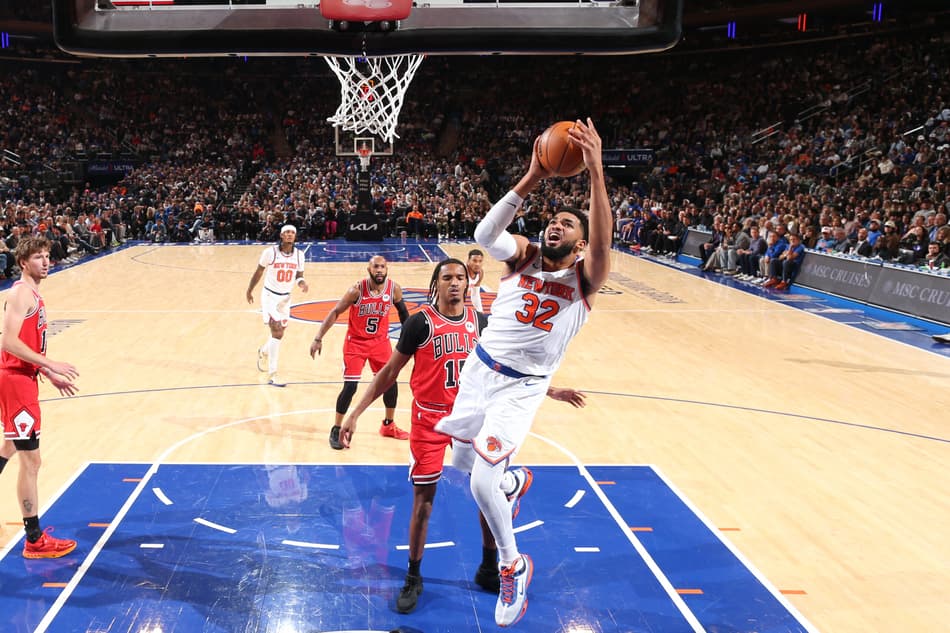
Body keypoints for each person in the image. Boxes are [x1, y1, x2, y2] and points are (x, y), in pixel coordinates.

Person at [434, 118, 611, 627]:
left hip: (520, 389)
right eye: (553, 218)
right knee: (467, 467)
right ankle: (512, 483)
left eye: (569, 224)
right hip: (478, 373)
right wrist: (533, 175)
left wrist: (595, 170)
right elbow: (483, 234)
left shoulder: (584, 278)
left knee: (478, 484)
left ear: (580, 244)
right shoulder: (524, 259)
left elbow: (602, 244)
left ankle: (514, 564)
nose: (556, 224)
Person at [336, 259, 585, 614]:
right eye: (447, 278)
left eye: (460, 278)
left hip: (473, 416)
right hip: (429, 420)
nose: (455, 283)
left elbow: (511, 368)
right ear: (435, 284)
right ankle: (414, 576)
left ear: (469, 285)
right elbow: (390, 371)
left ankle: (488, 566)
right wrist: (356, 413)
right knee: (423, 501)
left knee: (484, 493)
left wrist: (550, 389)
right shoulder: (419, 323)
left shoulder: (483, 324)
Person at [0, 237, 80, 559]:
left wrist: (47, 373)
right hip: (16, 383)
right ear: (23, 262)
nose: (46, 261)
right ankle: (34, 540)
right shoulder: (20, 294)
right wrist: (50, 364)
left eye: (47, 256)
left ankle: (34, 536)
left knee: (8, 446)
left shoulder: (34, 295)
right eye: (38, 257)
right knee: (31, 461)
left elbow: (28, 347)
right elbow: (8, 342)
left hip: (22, 379)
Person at [310, 255, 410, 442]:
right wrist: (318, 338)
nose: (379, 270)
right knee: (350, 386)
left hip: (380, 342)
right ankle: (336, 427)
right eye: (375, 267)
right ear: (369, 270)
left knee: (390, 382)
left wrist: (410, 339)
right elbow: (335, 312)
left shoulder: (393, 289)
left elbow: (404, 314)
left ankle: (388, 425)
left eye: (382, 267)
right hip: (356, 342)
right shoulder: (356, 290)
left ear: (387, 269)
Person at [246, 224, 309, 387]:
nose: (290, 235)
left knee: (280, 333)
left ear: (295, 236)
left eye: (292, 233)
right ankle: (273, 374)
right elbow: (259, 271)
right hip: (269, 297)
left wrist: (302, 283)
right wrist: (250, 289)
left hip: (285, 299)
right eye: (287, 232)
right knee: (278, 332)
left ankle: (264, 351)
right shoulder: (270, 253)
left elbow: (299, 275)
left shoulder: (300, 255)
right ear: (281, 235)